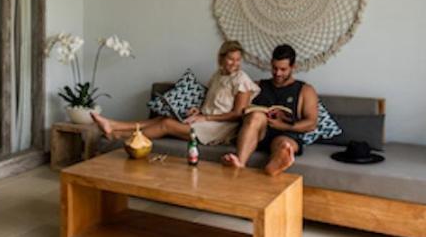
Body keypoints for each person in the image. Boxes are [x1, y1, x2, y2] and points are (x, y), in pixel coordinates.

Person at [91, 40, 258, 145]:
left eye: (238, 59)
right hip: (205, 120)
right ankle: (114, 125)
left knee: (166, 125)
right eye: (231, 59)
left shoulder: (241, 80)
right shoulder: (217, 76)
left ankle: (118, 136)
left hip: (219, 128)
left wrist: (205, 118)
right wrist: (198, 111)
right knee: (163, 118)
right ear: (221, 59)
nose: (235, 63)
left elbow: (237, 114)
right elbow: (213, 103)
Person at [222, 43, 319, 176]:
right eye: (274, 68)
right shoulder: (257, 85)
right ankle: (240, 164)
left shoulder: (305, 90)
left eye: (283, 69)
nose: (278, 73)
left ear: (293, 67)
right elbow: (234, 107)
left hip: (286, 134)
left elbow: (312, 123)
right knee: (256, 116)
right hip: (258, 133)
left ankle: (273, 165)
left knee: (284, 145)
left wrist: (283, 125)